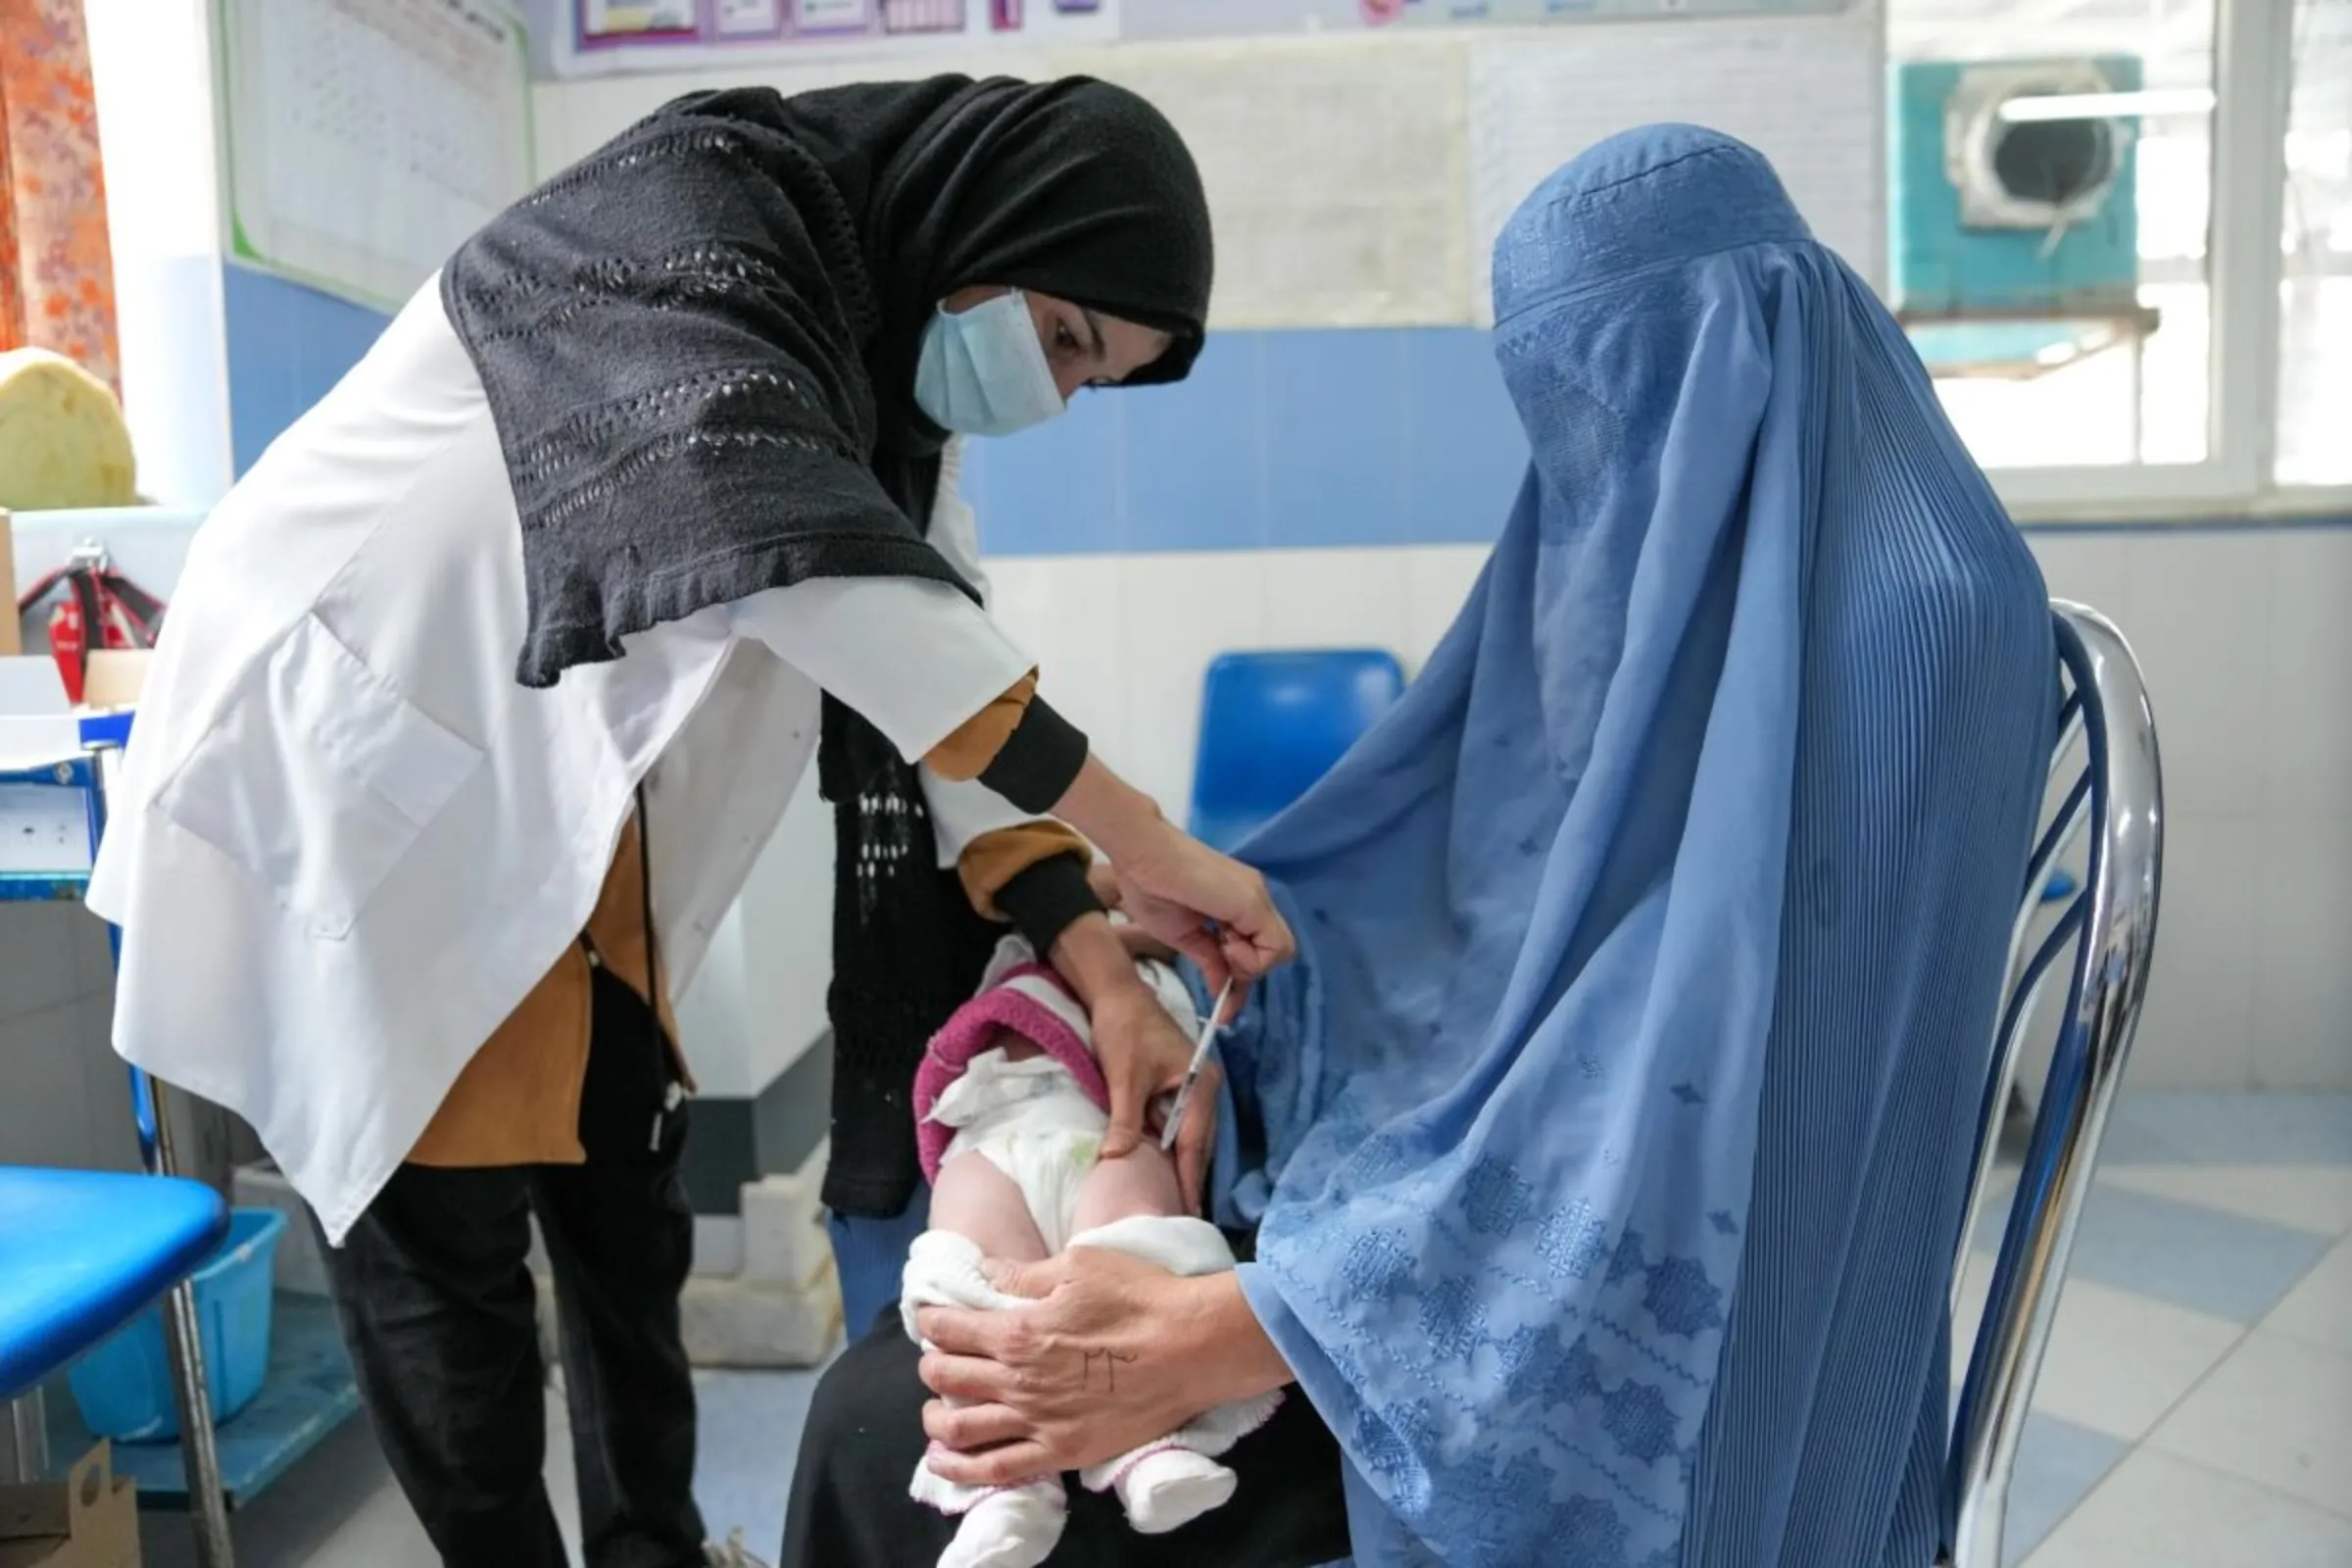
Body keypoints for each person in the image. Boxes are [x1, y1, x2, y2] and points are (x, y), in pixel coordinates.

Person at [782, 123, 2058, 1568]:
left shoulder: (1909, 630)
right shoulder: (1649, 560)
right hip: (1477, 1234)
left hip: (1617, 1349)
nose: (1592, 458)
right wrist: (1223, 1006)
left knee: (887, 1435)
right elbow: (1477, 907)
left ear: (1744, 351)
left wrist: (1239, 1329)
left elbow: (1740, 1135)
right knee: (918, 1382)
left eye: (1620, 400)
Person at [85, 76, 1294, 1568]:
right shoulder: (684, 221)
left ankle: (653, 1549)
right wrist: (1154, 841)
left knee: (623, 1220)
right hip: (365, 800)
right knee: (446, 1277)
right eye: (1058, 337)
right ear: (986, 215)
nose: (1048, 391)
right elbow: (816, 566)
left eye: (1087, 376)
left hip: (572, 850)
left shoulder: (875, 383)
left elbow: (944, 647)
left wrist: (1098, 955)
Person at [901, 934, 1285, 1568]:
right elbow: (1029, 891)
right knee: (955, 1271)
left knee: (1137, 1237)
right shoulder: (1026, 939)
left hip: (1110, 1133)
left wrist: (1160, 931)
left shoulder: (1172, 980)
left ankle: (1149, 1447)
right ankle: (1006, 1490)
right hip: (990, 1144)